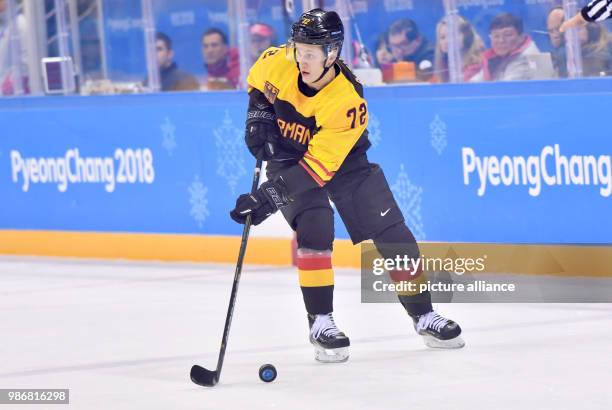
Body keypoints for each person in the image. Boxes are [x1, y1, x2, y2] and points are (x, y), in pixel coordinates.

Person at [230, 8, 464, 363]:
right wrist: (257, 115)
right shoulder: (279, 59)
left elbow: (319, 169)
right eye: (299, 49)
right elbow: (259, 84)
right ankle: (321, 322)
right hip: (290, 156)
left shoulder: (346, 100)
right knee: (315, 227)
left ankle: (424, 315)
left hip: (343, 163)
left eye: (311, 53)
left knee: (392, 232)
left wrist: (267, 198)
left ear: (332, 53)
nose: (301, 59)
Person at [472, 13, 541, 82]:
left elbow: (504, 89)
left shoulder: (527, 57)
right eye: (496, 36)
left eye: (507, 35)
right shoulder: (498, 56)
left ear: (521, 37)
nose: (501, 40)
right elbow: (474, 83)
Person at [434, 15, 484, 82]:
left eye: (451, 36)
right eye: (442, 37)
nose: (446, 41)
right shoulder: (444, 67)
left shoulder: (476, 66)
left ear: (466, 36)